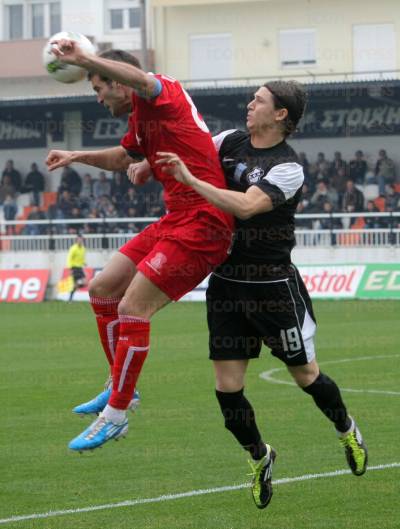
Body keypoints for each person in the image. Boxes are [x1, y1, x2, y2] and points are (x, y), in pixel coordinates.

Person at [148, 80, 368, 509]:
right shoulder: (228, 140)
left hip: (272, 289)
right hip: (227, 285)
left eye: (259, 100)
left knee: (306, 377)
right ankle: (260, 456)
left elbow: (246, 206)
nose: (250, 105)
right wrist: (145, 162)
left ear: (281, 114)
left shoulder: (288, 168)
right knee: (227, 390)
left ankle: (347, 430)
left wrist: (189, 178)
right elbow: (188, 147)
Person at [45, 42, 234, 451]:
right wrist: (76, 156)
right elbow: (121, 157)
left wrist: (82, 60)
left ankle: (114, 415)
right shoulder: (140, 120)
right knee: (102, 288)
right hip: (176, 218)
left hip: (205, 222)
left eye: (98, 88)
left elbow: (141, 78)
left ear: (117, 80)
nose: (97, 98)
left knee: (133, 308)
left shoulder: (161, 91)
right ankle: (122, 388)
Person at [66, 235, 87, 302]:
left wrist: (84, 263)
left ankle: (71, 294)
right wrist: (70, 268)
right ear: (76, 240)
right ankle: (70, 298)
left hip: (80, 267)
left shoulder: (83, 248)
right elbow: (69, 258)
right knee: (81, 282)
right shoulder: (73, 248)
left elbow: (82, 258)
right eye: (79, 240)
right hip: (74, 267)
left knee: (84, 283)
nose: (80, 241)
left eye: (81, 239)